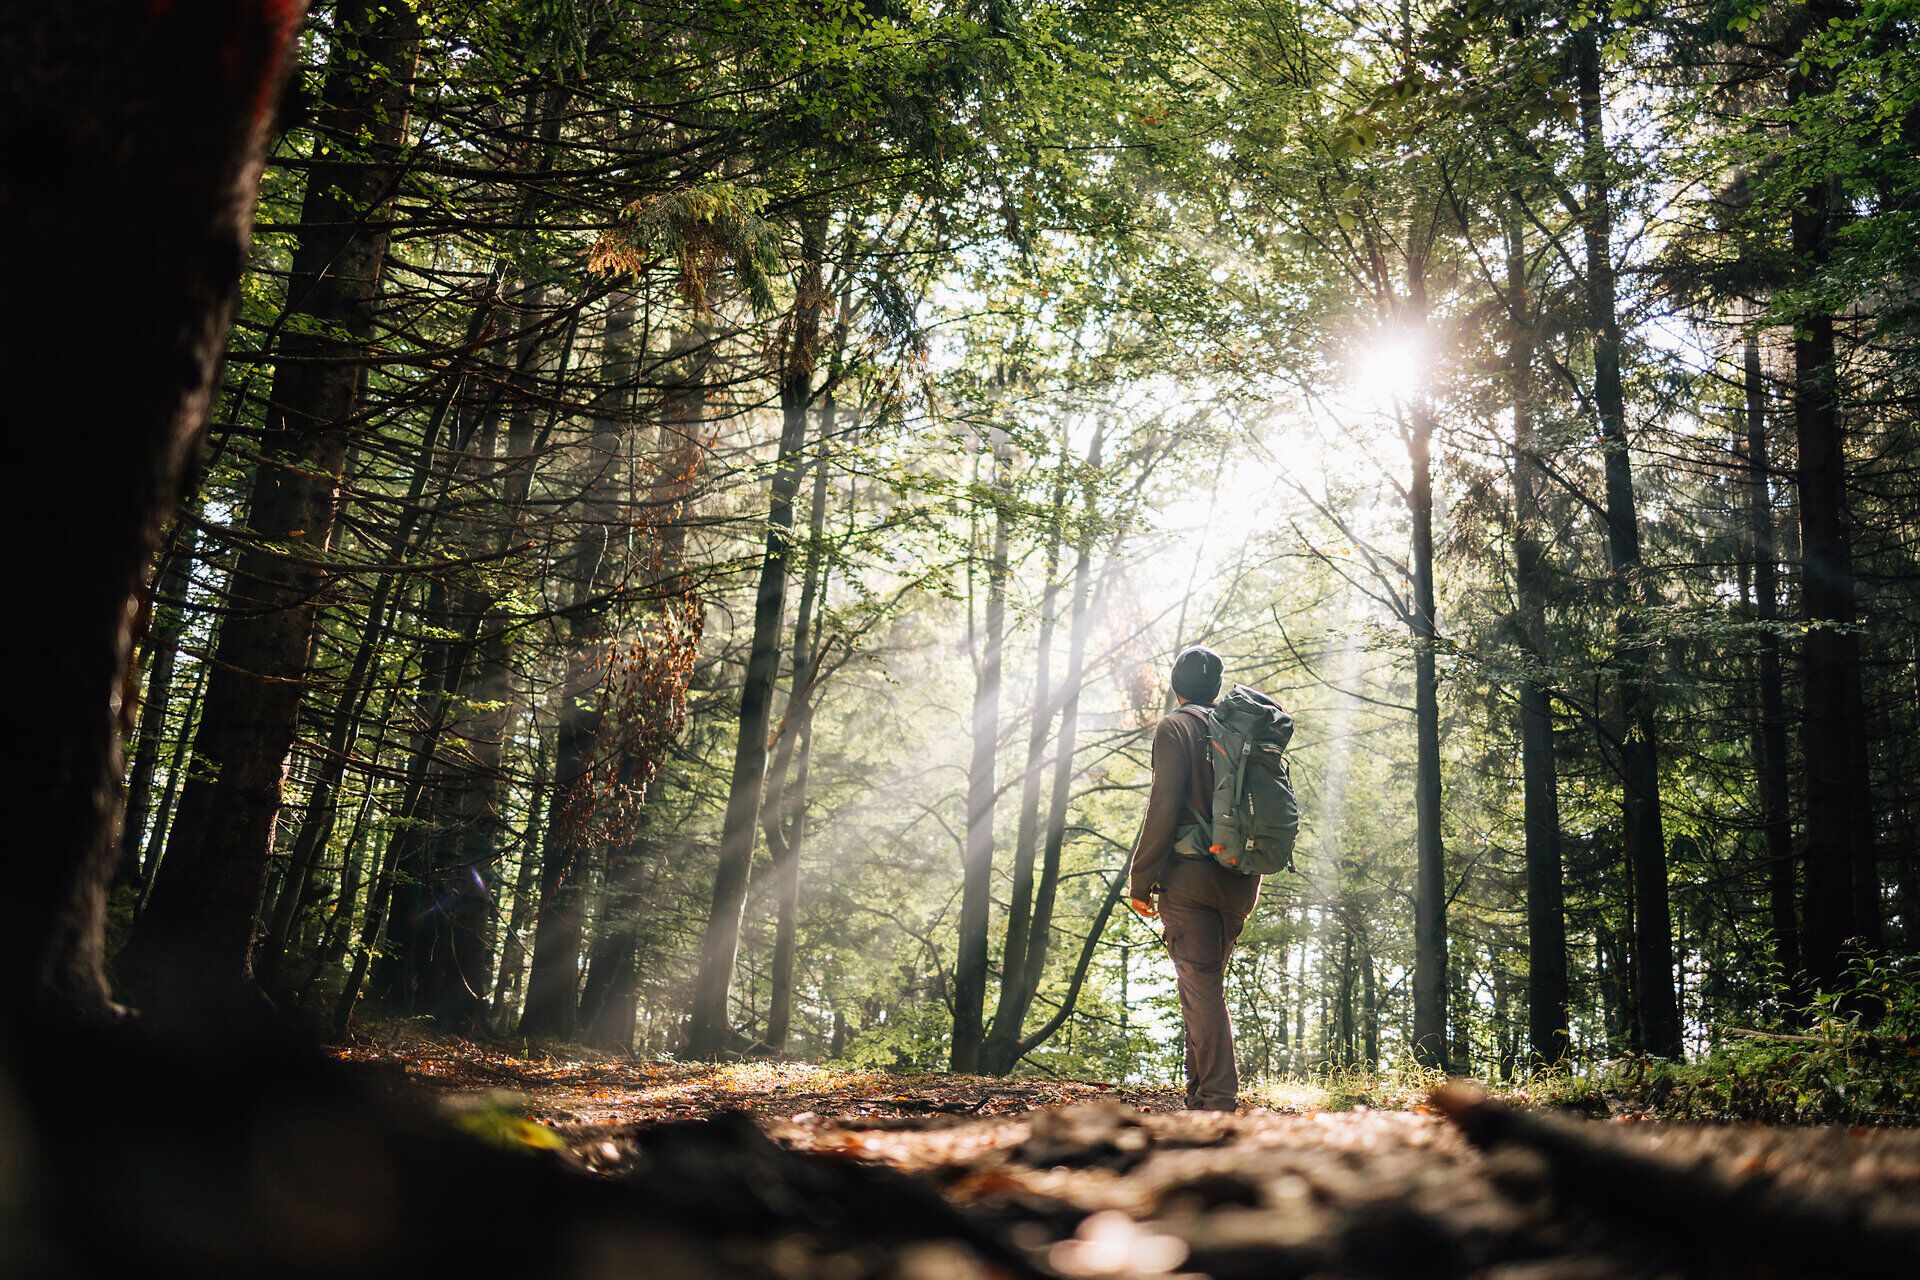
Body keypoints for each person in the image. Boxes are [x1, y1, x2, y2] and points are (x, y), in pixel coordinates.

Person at [1127, 644, 1259, 1111]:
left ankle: (1218, 1097)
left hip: (1189, 878)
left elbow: (1163, 806)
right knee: (1201, 984)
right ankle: (1199, 1093)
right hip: (1241, 879)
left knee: (1200, 983)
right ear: (1215, 688)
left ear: (1175, 686)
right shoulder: (1237, 728)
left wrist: (1139, 879)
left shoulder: (1176, 727)